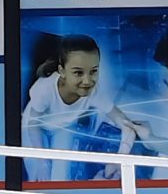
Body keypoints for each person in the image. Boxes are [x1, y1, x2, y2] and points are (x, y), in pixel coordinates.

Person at [19, 32, 153, 182]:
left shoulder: (94, 92)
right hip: (34, 130)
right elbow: (33, 126)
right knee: (39, 175)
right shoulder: (44, 89)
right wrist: (42, 162)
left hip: (61, 129)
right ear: (62, 71)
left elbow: (127, 125)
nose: (87, 81)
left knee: (59, 178)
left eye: (93, 71)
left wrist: (120, 159)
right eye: (78, 73)